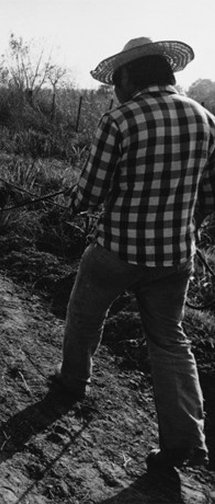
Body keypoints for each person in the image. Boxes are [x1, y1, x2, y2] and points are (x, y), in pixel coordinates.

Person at [51, 37, 215, 472]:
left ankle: (72, 382)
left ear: (127, 76)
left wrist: (69, 203)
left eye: (115, 81)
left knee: (85, 313)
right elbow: (210, 194)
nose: (114, 89)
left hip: (118, 250)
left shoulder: (120, 120)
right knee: (170, 339)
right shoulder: (205, 119)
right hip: (175, 256)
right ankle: (184, 439)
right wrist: (186, 225)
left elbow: (89, 193)